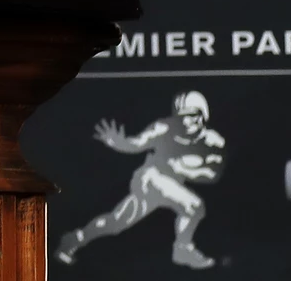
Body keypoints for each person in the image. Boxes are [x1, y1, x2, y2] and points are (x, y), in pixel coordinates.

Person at [53, 91, 224, 270]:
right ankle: (182, 250)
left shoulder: (213, 142)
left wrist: (183, 169)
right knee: (194, 206)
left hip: (170, 185)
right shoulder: (164, 127)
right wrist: (119, 143)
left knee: (115, 222)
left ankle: (76, 238)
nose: (186, 121)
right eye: (182, 116)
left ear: (202, 115)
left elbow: (212, 174)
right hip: (150, 178)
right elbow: (137, 143)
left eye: (191, 116)